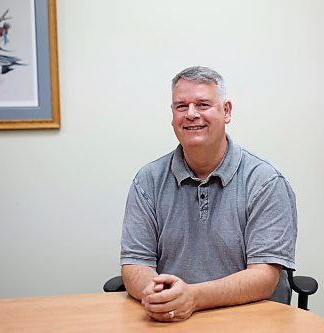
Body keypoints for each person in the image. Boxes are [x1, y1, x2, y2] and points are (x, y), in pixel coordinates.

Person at [120, 66, 298, 322]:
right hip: (173, 321)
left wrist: (193, 297)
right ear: (172, 115)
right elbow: (135, 264)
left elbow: (264, 277)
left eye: (203, 104)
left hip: (252, 321)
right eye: (181, 106)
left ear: (226, 111)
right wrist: (160, 295)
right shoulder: (147, 181)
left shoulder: (265, 181)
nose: (191, 114)